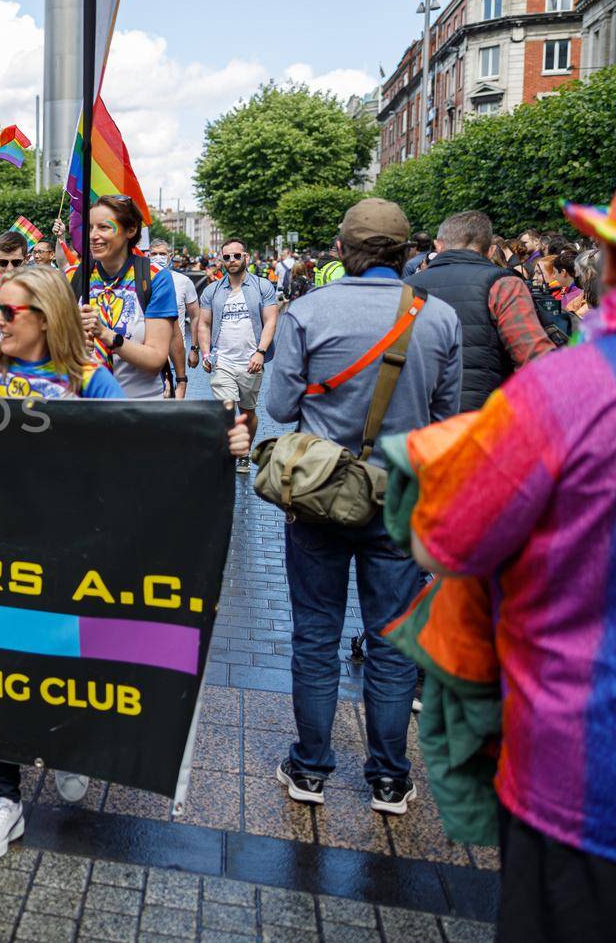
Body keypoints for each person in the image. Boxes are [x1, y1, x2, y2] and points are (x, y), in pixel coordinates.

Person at [0, 267, 250, 861]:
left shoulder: (88, 376)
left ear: (45, 316)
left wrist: (217, 442)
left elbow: (141, 445)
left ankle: (68, 747)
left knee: (60, 660)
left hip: (69, 552)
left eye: (8, 312)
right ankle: (7, 798)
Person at [407, 213, 616, 941]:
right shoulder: (506, 293)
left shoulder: (572, 392)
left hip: (578, 765)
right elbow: (529, 349)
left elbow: (446, 539)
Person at [266, 198, 461, 814]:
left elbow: (276, 407)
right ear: (406, 251)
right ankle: (388, 778)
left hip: (321, 497)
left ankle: (312, 769)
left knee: (317, 636)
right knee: (391, 640)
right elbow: (446, 418)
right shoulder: (439, 318)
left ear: (343, 248)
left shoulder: (306, 311)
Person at [405, 210, 555, 412]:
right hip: (484, 421)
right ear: (491, 251)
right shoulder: (504, 285)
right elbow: (535, 358)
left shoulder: (405, 288)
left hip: (418, 420)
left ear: (438, 245)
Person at [76, 195, 176, 400]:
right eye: (91, 227)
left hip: (139, 410)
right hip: (86, 406)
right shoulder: (76, 276)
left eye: (104, 227)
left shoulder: (155, 277)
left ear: (130, 230)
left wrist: (106, 335)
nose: (93, 235)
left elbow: (156, 359)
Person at [196, 238, 279, 467]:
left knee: (248, 412)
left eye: (236, 256)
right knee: (226, 410)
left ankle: (245, 452)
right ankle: (228, 452)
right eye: (227, 257)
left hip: (251, 361)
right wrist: (205, 353)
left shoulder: (262, 286)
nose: (232, 260)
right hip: (221, 360)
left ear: (246, 257)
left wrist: (260, 352)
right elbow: (203, 323)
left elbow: (271, 320)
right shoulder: (212, 291)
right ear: (221, 260)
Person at [148, 238, 198, 400]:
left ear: (170, 256)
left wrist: (194, 348)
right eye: (154, 254)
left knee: (173, 409)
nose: (158, 257)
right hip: (148, 355)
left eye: (162, 254)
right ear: (148, 255)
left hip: (176, 356)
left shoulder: (183, 282)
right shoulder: (141, 280)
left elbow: (195, 316)